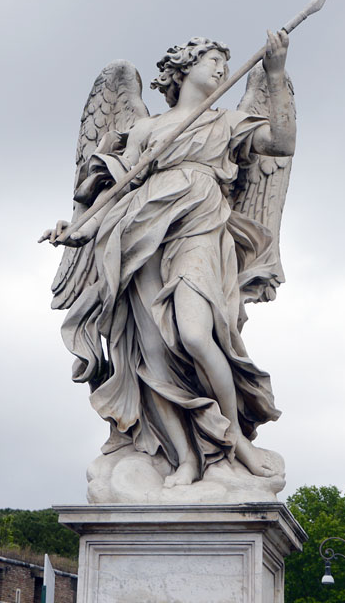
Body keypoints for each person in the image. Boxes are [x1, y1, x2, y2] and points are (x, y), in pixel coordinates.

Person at [40, 31, 296, 488]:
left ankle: (235, 443)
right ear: (183, 70)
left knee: (196, 334)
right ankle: (184, 458)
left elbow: (281, 143)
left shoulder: (228, 121)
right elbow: (115, 186)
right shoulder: (145, 129)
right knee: (149, 352)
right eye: (211, 60)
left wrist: (274, 75)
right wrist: (75, 229)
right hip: (140, 229)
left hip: (199, 220)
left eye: (223, 62)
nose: (220, 68)